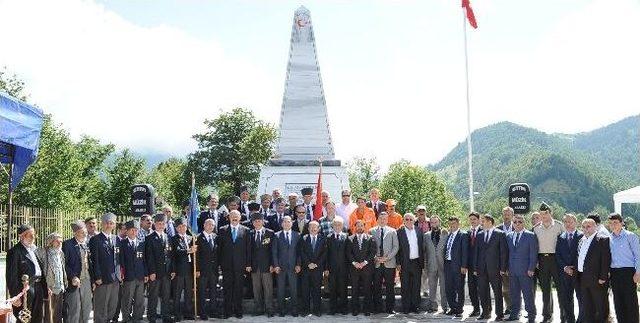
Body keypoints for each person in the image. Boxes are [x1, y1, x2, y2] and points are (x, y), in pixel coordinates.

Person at [6, 224, 46, 323]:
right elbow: (11, 276)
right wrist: (15, 296)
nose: (34, 238)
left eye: (34, 235)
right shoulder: (15, 251)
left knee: (38, 317)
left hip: (38, 287)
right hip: (24, 290)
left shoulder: (35, 249)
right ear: (22, 236)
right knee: (24, 318)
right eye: (31, 235)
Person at [533, 202, 564, 323]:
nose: (543, 216)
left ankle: (563, 315)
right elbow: (534, 247)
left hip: (556, 259)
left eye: (546, 213)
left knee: (561, 289)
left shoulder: (559, 226)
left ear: (551, 213)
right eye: (541, 214)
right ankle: (547, 315)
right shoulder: (536, 228)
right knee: (545, 289)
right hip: (542, 260)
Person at [474, 214, 508, 321]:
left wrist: (503, 268)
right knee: (483, 291)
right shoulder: (479, 235)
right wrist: (475, 268)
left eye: (483, 221)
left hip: (496, 269)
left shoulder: (500, 234)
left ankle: (499, 314)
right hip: (481, 269)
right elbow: (476, 253)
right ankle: (485, 312)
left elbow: (503, 252)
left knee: (497, 292)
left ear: (489, 222)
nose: (481, 223)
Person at [218, 210, 251, 318]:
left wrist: (248, 264)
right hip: (226, 266)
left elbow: (248, 249)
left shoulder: (246, 230)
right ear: (229, 218)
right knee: (227, 289)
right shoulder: (222, 230)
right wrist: (220, 264)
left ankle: (238, 311)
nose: (234, 218)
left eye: (236, 216)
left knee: (238, 289)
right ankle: (227, 311)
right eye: (232, 216)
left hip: (240, 266)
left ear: (240, 218)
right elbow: (219, 249)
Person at [607, 213, 640, 323]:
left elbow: (638, 255)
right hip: (614, 273)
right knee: (618, 301)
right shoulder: (608, 238)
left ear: (621, 223)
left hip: (628, 272)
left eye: (615, 222)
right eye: (611, 223)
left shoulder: (630, 236)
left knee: (630, 302)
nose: (613, 225)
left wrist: (638, 273)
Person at [576, 218, 611, 323]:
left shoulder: (603, 240)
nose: (586, 229)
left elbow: (606, 260)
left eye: (588, 226)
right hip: (582, 278)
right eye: (583, 227)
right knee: (587, 306)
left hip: (597, 279)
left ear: (595, 227)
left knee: (600, 306)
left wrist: (603, 277)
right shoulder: (581, 240)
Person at [89, 213, 121, 323]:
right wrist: (97, 276)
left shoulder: (117, 239)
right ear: (102, 224)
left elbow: (119, 258)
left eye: (111, 223)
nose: (109, 225)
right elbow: (94, 260)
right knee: (101, 306)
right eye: (107, 223)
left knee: (113, 305)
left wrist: (120, 275)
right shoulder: (95, 239)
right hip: (102, 278)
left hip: (115, 278)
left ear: (114, 225)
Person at [505, 214, 538, 323]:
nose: (517, 224)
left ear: (524, 223)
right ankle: (514, 314)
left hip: (526, 270)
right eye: (515, 222)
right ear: (512, 223)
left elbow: (533, 254)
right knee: (514, 293)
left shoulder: (531, 235)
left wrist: (531, 268)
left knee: (528, 294)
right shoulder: (509, 236)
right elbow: (508, 253)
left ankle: (531, 315)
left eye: (520, 222)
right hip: (512, 270)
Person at [145, 213, 173, 323]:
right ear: (155, 225)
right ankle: (151, 317)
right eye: (159, 224)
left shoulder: (168, 237)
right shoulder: (150, 238)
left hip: (166, 273)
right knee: (153, 296)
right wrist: (151, 272)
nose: (161, 226)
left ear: (165, 225)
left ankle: (165, 316)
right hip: (155, 273)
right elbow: (149, 257)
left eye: (163, 224)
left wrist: (172, 270)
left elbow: (170, 256)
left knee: (166, 296)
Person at [272, 216, 302, 317]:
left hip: (293, 267)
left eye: (288, 222)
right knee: (281, 290)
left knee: (294, 289)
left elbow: (299, 252)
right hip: (280, 267)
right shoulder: (276, 235)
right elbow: (274, 252)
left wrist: (298, 264)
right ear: (281, 224)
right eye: (284, 222)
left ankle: (294, 310)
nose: (286, 223)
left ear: (292, 223)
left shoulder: (297, 235)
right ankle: (281, 310)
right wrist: (276, 265)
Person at [555, 213, 583, 323]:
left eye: (570, 221)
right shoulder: (560, 237)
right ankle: (570, 320)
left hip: (578, 273)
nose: (568, 224)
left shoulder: (582, 236)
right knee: (566, 299)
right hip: (565, 273)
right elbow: (558, 255)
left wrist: (574, 268)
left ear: (575, 222)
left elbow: (582, 254)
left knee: (581, 298)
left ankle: (581, 320)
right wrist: (565, 267)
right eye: (565, 222)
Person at [63, 221, 92, 323]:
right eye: (81, 232)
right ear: (75, 233)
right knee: (74, 308)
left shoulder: (86, 244)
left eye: (85, 232)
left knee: (87, 306)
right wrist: (72, 276)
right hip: (74, 280)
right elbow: (64, 264)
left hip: (87, 279)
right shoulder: (67, 244)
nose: (84, 234)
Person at [370, 212, 399, 314]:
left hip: (389, 263)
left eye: (385, 218)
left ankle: (390, 308)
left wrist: (387, 258)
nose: (382, 220)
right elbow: (369, 248)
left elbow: (396, 247)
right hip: (376, 263)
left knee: (390, 287)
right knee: (376, 286)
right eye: (381, 218)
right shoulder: (371, 231)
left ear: (387, 220)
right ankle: (377, 308)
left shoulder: (393, 231)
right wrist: (375, 258)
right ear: (378, 219)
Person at [119, 219, 147, 323]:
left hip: (140, 275)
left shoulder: (141, 243)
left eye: (136, 230)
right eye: (132, 230)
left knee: (139, 299)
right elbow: (121, 261)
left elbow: (144, 260)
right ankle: (126, 318)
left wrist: (146, 273)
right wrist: (122, 274)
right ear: (127, 231)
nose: (134, 232)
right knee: (127, 298)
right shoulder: (122, 244)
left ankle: (137, 317)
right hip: (128, 276)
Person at [396, 213, 424, 314]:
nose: (408, 221)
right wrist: (398, 263)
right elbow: (397, 249)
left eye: (410, 219)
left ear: (414, 220)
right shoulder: (399, 232)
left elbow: (422, 247)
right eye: (406, 219)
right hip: (404, 263)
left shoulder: (419, 231)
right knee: (405, 286)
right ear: (403, 220)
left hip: (417, 262)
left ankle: (415, 307)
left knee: (416, 286)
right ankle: (406, 308)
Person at [347, 219, 376, 316]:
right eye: (358, 226)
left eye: (361, 225)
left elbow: (372, 252)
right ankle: (355, 309)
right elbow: (348, 253)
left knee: (367, 289)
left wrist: (365, 262)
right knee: (354, 289)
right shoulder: (350, 238)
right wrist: (354, 263)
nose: (359, 227)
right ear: (355, 227)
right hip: (354, 268)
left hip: (367, 268)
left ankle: (366, 309)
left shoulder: (370, 238)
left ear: (364, 227)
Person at [249, 212, 276, 317]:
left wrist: (273, 264)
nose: (257, 222)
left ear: (263, 222)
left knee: (268, 289)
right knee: (256, 289)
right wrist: (248, 264)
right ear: (252, 223)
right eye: (255, 221)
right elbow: (248, 251)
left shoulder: (270, 233)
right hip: (254, 266)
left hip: (267, 266)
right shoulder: (249, 233)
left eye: (259, 221)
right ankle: (258, 309)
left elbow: (273, 251)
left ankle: (269, 309)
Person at [299, 221, 327, 316]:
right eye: (311, 227)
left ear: (319, 228)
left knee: (317, 290)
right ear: (308, 228)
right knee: (305, 290)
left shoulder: (323, 239)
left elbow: (324, 253)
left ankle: (317, 310)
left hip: (317, 269)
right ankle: (305, 310)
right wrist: (309, 263)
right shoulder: (303, 238)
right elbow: (301, 252)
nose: (313, 229)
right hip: (306, 269)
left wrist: (316, 264)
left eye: (315, 227)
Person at [37, 232, 66, 323]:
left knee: (58, 314)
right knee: (48, 315)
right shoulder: (44, 252)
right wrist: (45, 286)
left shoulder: (60, 253)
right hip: (49, 287)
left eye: (61, 241)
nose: (60, 243)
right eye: (57, 241)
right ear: (51, 242)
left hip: (60, 287)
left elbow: (62, 269)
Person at [443, 217, 468, 317]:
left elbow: (465, 251)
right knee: (449, 287)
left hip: (458, 266)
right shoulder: (449, 235)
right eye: (450, 224)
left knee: (459, 287)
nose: (452, 225)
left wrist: (464, 265)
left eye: (454, 223)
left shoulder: (463, 235)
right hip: (448, 264)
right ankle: (452, 307)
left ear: (458, 223)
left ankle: (459, 309)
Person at [195, 218, 220, 319]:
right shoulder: (197, 238)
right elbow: (196, 256)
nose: (211, 227)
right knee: (202, 292)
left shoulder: (215, 237)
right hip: (202, 270)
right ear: (204, 225)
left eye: (213, 225)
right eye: (209, 224)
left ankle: (213, 311)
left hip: (213, 270)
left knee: (214, 292)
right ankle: (202, 312)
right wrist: (197, 269)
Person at [424, 215, 448, 313]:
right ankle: (432, 306)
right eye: (432, 222)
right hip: (431, 265)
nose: (434, 224)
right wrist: (425, 266)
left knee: (444, 287)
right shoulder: (426, 235)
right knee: (432, 287)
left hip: (443, 266)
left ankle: (445, 307)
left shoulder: (446, 234)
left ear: (439, 222)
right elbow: (424, 252)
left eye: (435, 222)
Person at [325, 217, 349, 315]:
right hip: (332, 269)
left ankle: (343, 309)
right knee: (332, 289)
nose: (337, 226)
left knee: (343, 289)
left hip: (343, 268)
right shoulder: (328, 237)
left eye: (339, 224)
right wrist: (326, 268)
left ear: (342, 226)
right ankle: (333, 309)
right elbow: (326, 254)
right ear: (332, 226)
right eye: (335, 224)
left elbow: (348, 254)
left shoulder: (347, 237)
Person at [498, 207, 515, 315]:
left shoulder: (518, 226)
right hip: (502, 263)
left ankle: (516, 307)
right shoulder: (497, 229)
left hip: (515, 262)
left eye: (508, 214)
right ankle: (508, 307)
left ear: (512, 215)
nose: (506, 216)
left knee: (516, 287)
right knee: (505, 288)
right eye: (504, 214)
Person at [467, 212, 483, 317]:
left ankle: (486, 309)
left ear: (478, 220)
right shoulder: (467, 233)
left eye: (474, 219)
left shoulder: (483, 231)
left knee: (482, 288)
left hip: (481, 265)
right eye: (471, 219)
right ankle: (476, 309)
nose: (472, 221)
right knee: (472, 288)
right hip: (470, 266)